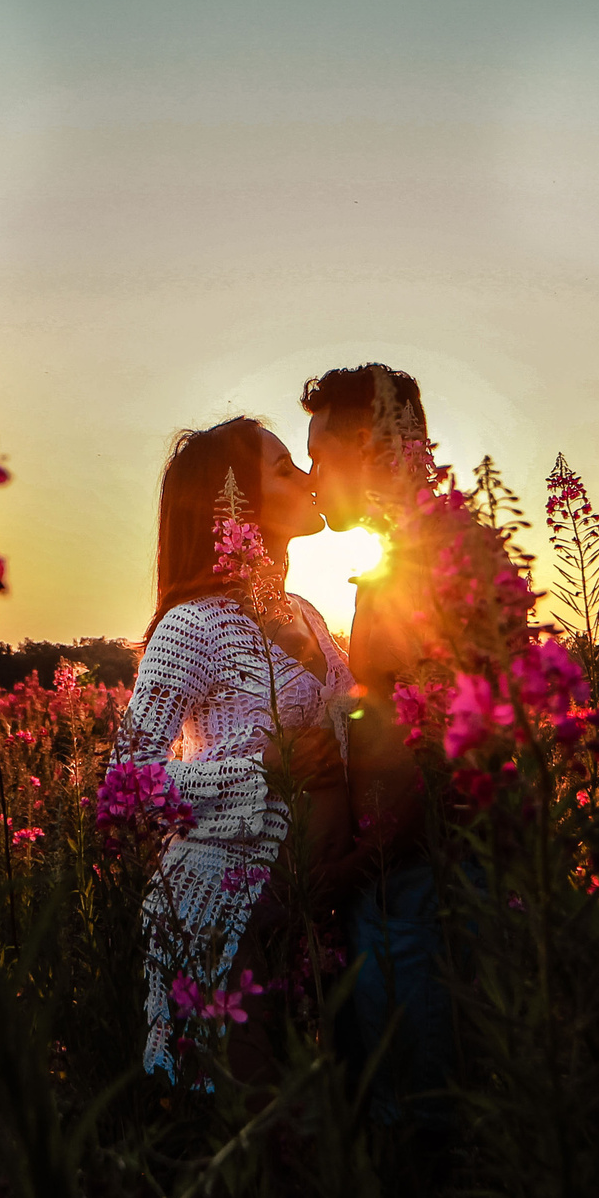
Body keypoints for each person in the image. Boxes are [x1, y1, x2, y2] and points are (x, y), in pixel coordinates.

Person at [113, 416, 351, 1081]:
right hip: (218, 913)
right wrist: (261, 770)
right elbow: (126, 784)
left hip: (306, 909)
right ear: (238, 506)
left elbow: (355, 720)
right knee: (254, 1134)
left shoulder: (309, 616)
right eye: (283, 468)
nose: (307, 478)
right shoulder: (192, 625)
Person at [301, 364, 462, 1124]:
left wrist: (352, 868)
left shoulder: (428, 557)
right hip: (399, 880)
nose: (310, 475)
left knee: (419, 1120)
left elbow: (450, 758)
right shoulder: (402, 553)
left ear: (365, 445)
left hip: (421, 886)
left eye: (319, 454)